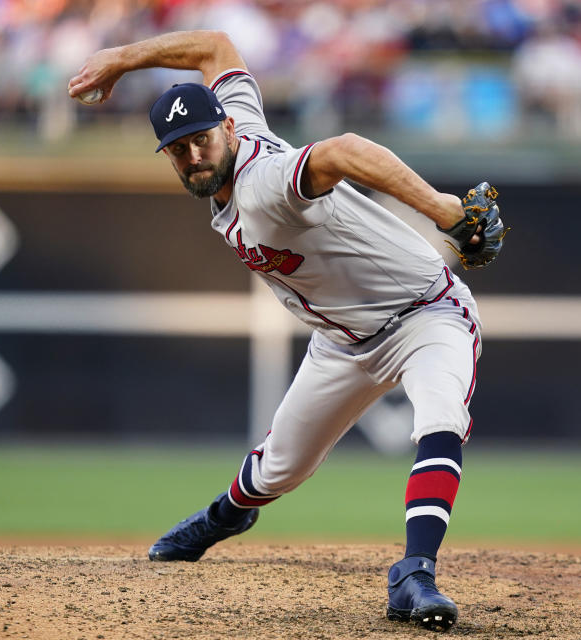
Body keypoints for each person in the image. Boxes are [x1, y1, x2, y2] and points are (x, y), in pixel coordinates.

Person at [68, 30, 506, 633]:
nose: (194, 154)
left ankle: (414, 574)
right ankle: (225, 516)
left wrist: (444, 211)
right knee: (278, 469)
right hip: (342, 343)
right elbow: (215, 48)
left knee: (440, 419)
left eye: (200, 139)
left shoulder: (264, 184)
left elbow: (344, 148)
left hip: (425, 314)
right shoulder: (235, 125)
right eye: (178, 149)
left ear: (223, 130)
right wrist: (120, 58)